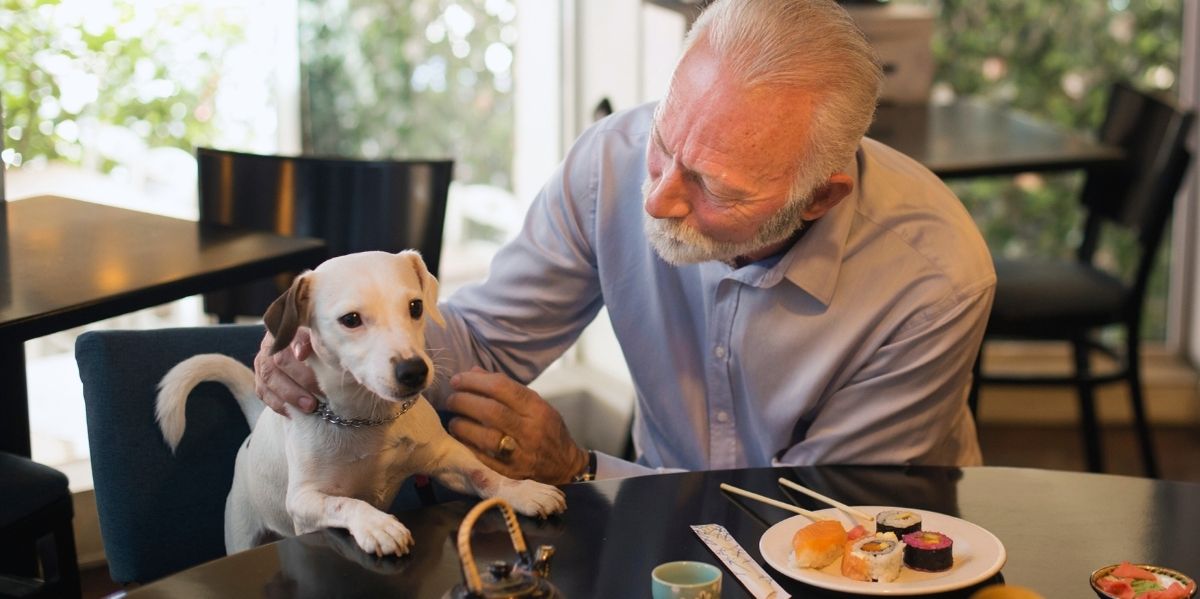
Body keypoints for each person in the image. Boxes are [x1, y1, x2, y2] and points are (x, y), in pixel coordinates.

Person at [255, 0, 995, 485]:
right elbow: (477, 346)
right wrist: (332, 351)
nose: (657, 196)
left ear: (821, 196)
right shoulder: (610, 161)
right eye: (664, 143)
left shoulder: (934, 281)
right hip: (657, 521)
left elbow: (814, 522)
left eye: (713, 185)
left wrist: (581, 471)